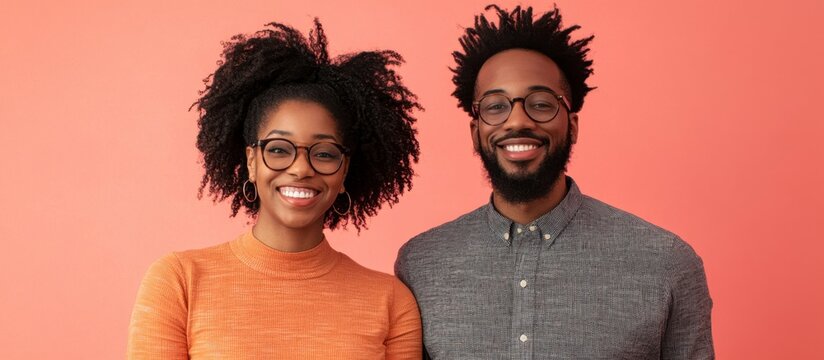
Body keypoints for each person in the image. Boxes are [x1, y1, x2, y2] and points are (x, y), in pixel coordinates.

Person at [395, 5, 714, 359]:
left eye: (542, 103)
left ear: (572, 126)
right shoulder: (420, 264)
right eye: (495, 106)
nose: (517, 120)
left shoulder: (666, 263)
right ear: (476, 132)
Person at [128, 19, 422, 359]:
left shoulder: (390, 300)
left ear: (344, 172)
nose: (300, 168)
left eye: (324, 154)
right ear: (252, 161)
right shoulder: (179, 281)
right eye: (279, 149)